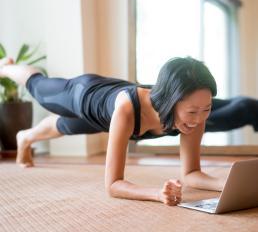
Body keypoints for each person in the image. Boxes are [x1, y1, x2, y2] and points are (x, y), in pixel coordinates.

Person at [0, 56, 250, 206]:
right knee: (39, 86)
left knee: (65, 126)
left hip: (107, 114)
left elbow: (191, 173)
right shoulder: (127, 111)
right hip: (85, 95)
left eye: (206, 109)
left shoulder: (195, 114)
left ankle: (25, 136)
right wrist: (156, 193)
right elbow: (113, 185)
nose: (200, 119)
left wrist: (231, 184)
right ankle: (6, 67)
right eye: (193, 111)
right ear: (169, 101)